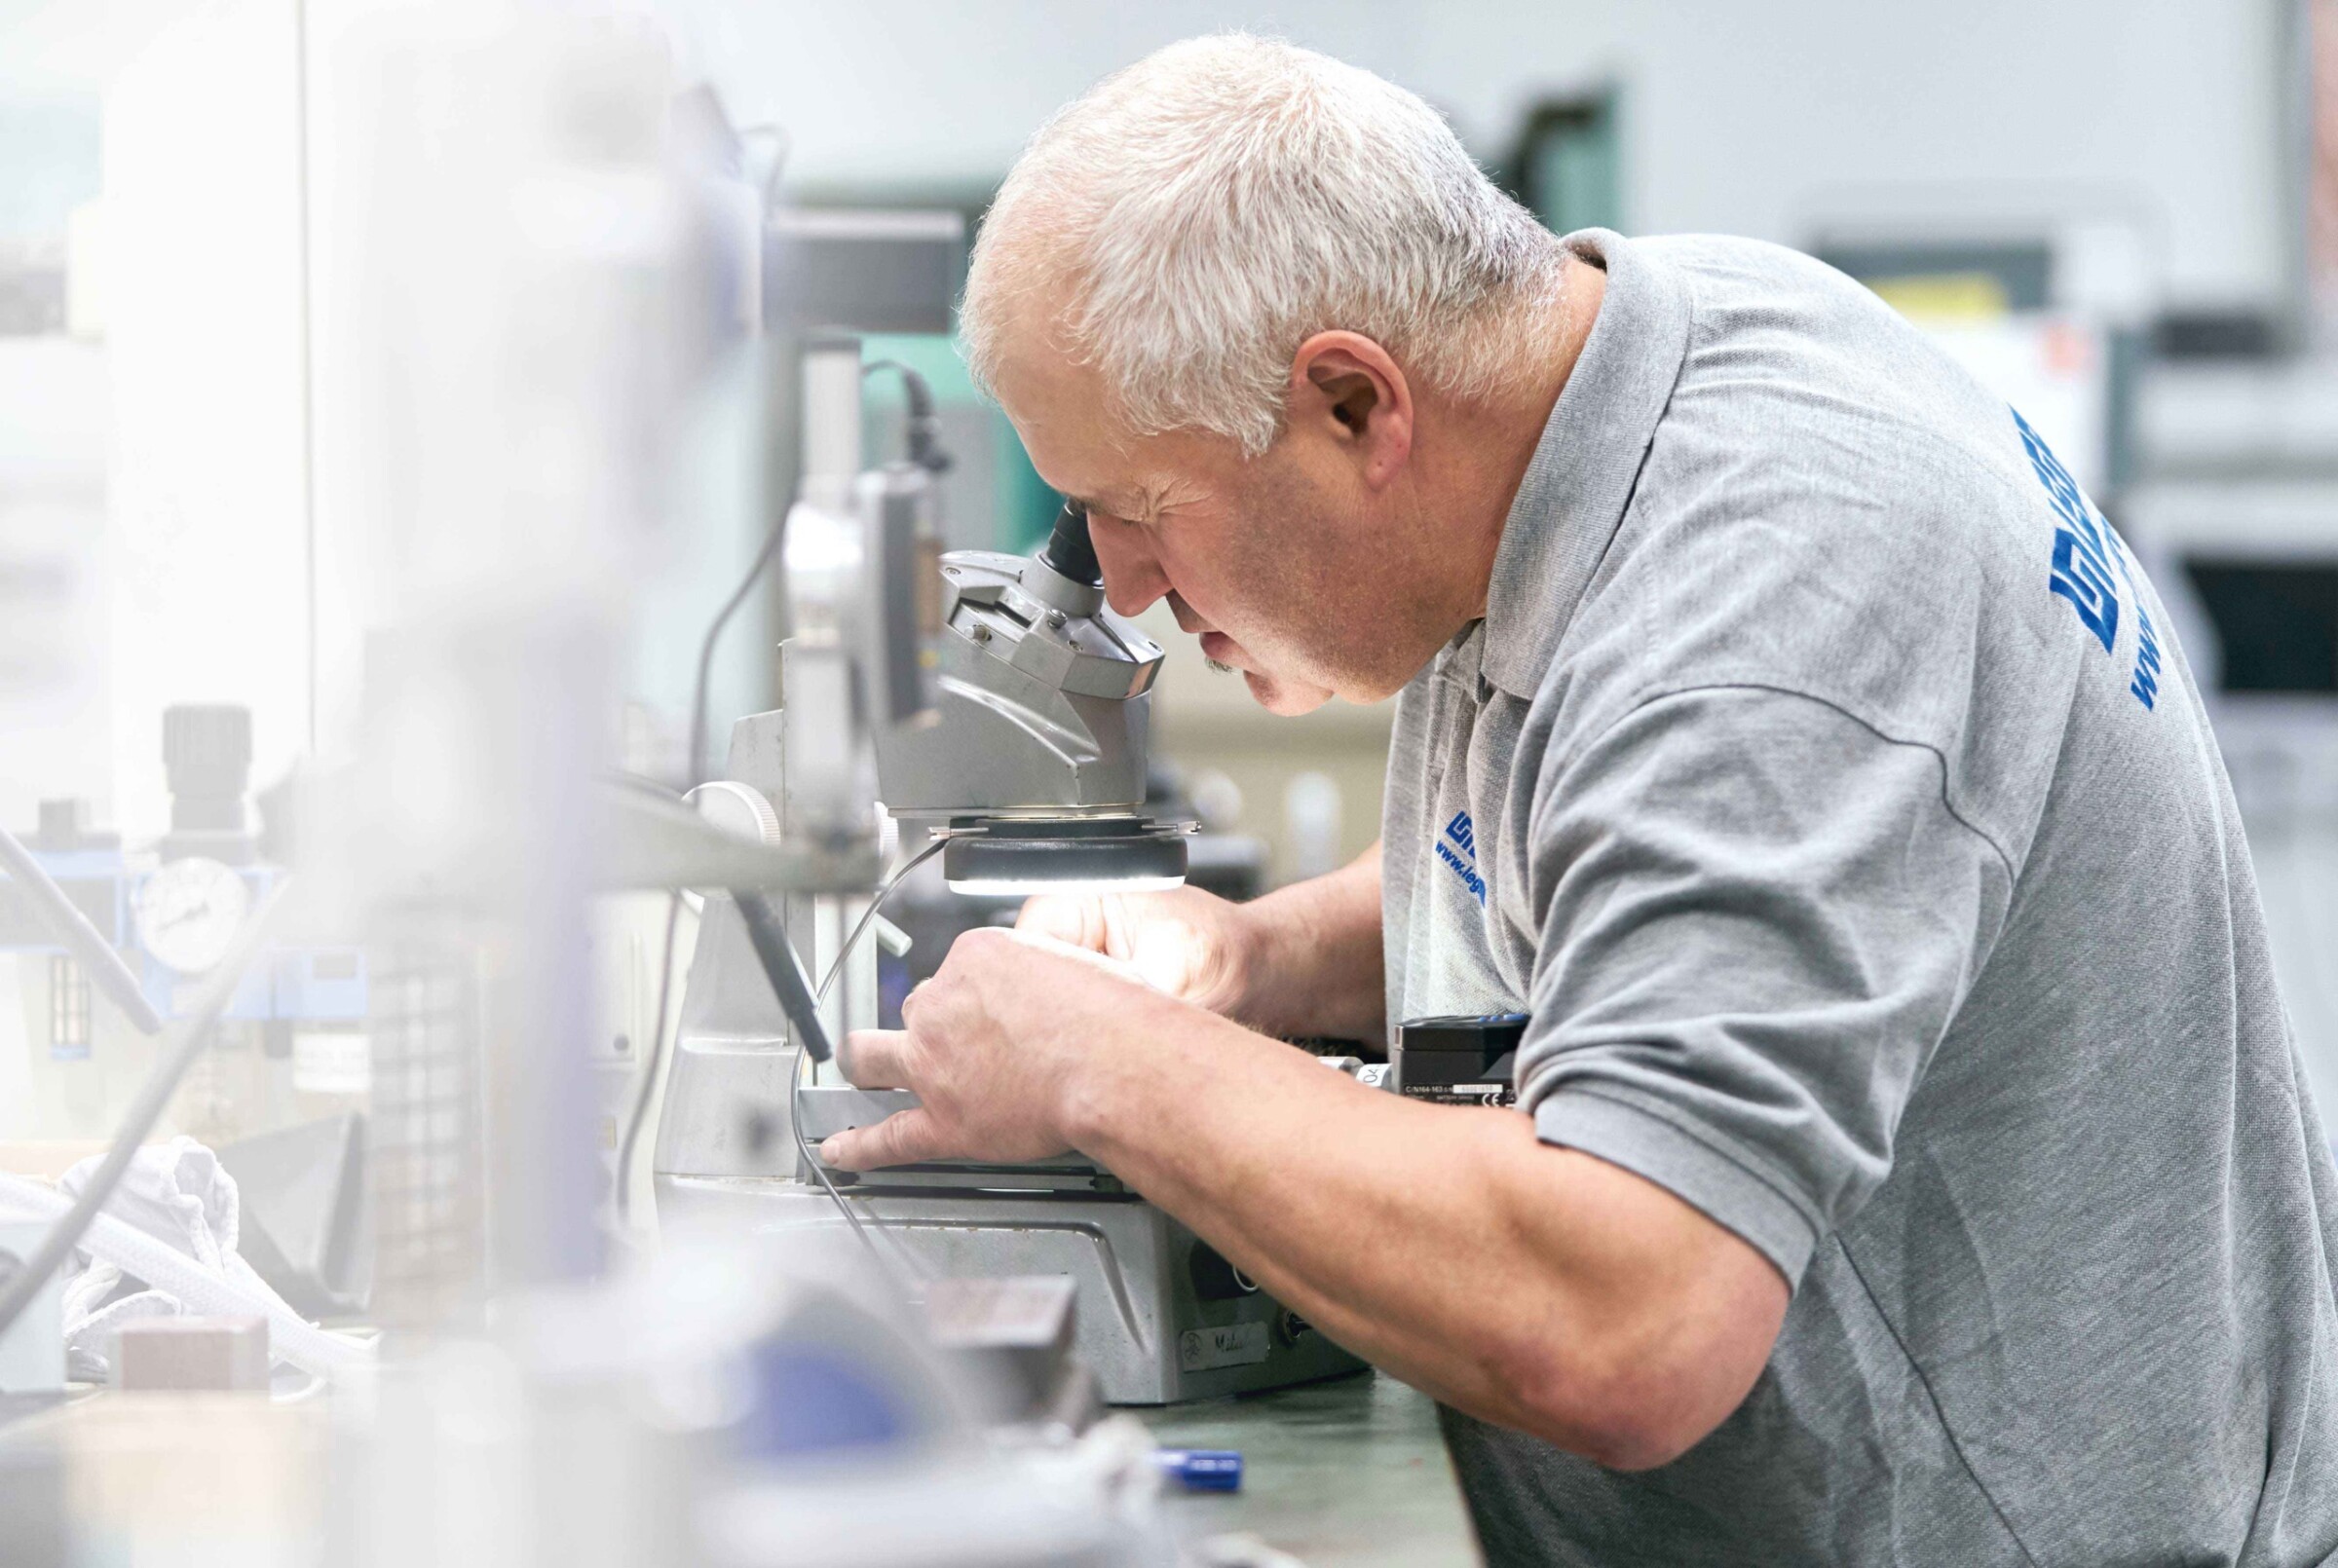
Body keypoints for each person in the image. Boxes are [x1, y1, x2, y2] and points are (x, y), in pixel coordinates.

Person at [818, 33, 2338, 1562]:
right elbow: (1618, 848)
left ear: (1353, 405)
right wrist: (1258, 957)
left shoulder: (1768, 600)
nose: (1128, 587)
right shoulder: (1634, 359)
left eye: (1136, 510)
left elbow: (1636, 1313)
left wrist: (1112, 1070)